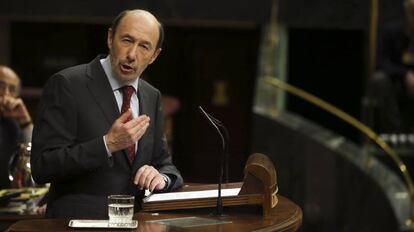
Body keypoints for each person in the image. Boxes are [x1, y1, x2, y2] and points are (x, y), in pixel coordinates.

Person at [31, 9, 183, 218]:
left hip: (136, 223)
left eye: (144, 46)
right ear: (110, 38)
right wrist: (107, 144)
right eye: (127, 40)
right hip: (76, 223)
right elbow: (42, 166)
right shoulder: (68, 84)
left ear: (154, 55)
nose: (132, 54)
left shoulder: (151, 95)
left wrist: (161, 177)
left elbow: (164, 163)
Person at [368, 0, 414, 133]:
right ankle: (396, 133)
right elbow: (381, 62)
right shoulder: (391, 32)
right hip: (396, 83)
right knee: (379, 79)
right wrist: (405, 74)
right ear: (406, 14)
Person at [0, 66, 33, 189]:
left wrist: (26, 122)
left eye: (12, 89)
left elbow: (34, 162)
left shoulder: (14, 123)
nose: (6, 94)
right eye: (1, 86)